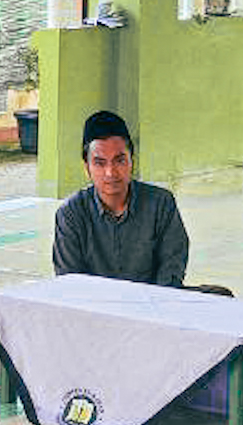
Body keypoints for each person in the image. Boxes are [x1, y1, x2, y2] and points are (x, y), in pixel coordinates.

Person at [53, 110, 232, 294]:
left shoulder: (161, 203)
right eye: (100, 163)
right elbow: (70, 283)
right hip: (96, 308)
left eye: (119, 160)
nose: (111, 172)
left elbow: (171, 269)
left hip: (155, 304)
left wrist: (151, 307)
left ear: (132, 161)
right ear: (86, 168)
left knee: (221, 296)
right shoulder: (71, 213)